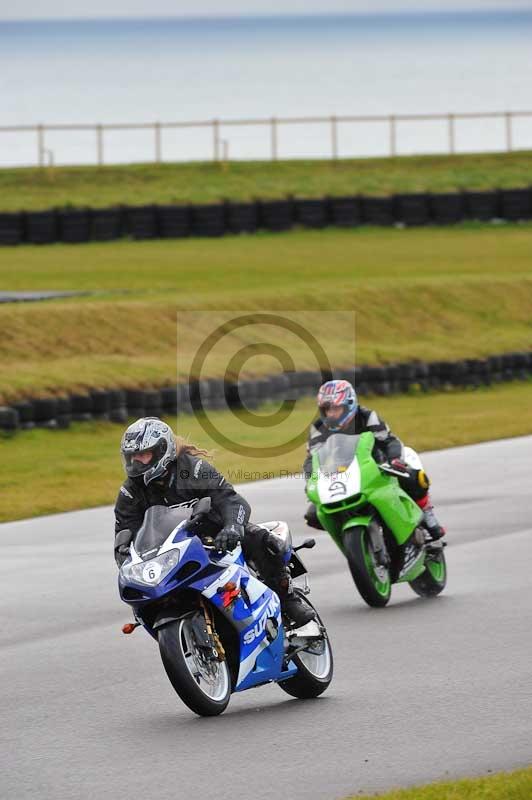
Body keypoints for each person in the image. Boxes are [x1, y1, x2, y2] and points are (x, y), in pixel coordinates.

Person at [114, 416, 314, 627]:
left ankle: (287, 599)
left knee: (261, 540)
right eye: (132, 457)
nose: (136, 462)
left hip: (216, 533)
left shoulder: (193, 469)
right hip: (174, 550)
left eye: (143, 455)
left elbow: (231, 500)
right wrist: (125, 556)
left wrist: (232, 527)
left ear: (162, 451)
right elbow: (124, 533)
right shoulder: (129, 492)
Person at [303, 379, 446, 540]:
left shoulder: (367, 416)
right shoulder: (318, 428)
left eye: (336, 408)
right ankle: (351, 534)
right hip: (343, 476)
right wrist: (311, 480)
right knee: (313, 514)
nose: (331, 414)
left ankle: (426, 513)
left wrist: (395, 460)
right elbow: (312, 460)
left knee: (413, 474)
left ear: (349, 405)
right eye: (326, 409)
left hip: (378, 467)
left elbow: (390, 441)